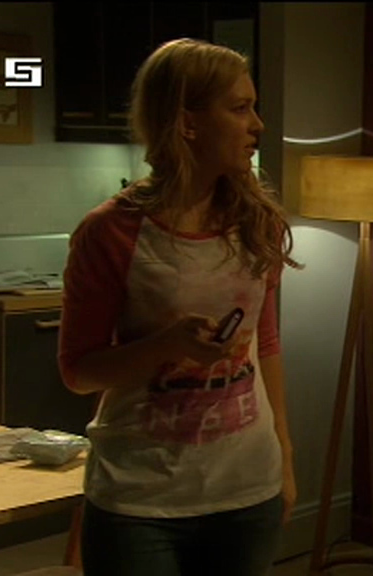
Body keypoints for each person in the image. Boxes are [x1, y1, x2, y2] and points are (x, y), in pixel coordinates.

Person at [58, 38, 302, 576]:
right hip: (141, 498)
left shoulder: (255, 222)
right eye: (240, 108)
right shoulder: (112, 231)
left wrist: (284, 456)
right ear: (187, 122)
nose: (257, 125)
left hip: (247, 489)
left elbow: (265, 345)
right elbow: (79, 372)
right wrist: (166, 346)